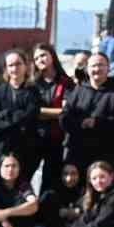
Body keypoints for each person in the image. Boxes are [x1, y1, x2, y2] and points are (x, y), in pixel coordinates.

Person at [0, 49, 42, 189]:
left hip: (24, 149)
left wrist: (3, 116)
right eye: (11, 65)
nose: (14, 68)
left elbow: (28, 117)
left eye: (18, 64)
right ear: (6, 68)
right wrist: (11, 118)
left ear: (25, 66)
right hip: (0, 148)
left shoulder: (33, 91)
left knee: (20, 188)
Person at [61, 52, 114, 175]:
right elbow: (64, 117)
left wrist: (97, 123)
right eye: (93, 66)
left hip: (105, 152)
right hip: (77, 150)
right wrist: (81, 123)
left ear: (108, 68)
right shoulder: (79, 90)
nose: (97, 69)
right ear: (87, 69)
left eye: (101, 65)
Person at [30, 43, 73, 194]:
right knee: (25, 176)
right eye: (36, 58)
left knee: (51, 181)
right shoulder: (32, 84)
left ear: (52, 56)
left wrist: (40, 111)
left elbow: (66, 111)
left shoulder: (66, 82)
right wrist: (52, 112)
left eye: (43, 55)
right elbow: (30, 112)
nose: (40, 60)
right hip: (34, 138)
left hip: (57, 138)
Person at [37, 163, 83, 227]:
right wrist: (72, 212)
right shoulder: (52, 193)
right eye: (65, 174)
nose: (69, 178)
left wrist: (68, 212)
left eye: (73, 174)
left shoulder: (85, 191)